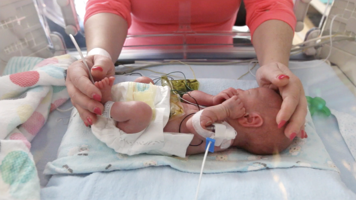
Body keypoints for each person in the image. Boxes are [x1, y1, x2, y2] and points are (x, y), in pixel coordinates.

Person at [65, 0, 307, 141]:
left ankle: (112, 106)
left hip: (222, 59)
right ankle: (110, 105)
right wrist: (100, 54)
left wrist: (275, 65)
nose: (239, 93)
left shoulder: (220, 136)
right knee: (137, 95)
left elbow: (269, 5)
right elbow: (110, 3)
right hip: (137, 56)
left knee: (137, 106)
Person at [91, 76, 300, 156]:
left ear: (250, 119)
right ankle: (117, 103)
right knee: (146, 82)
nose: (237, 90)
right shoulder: (218, 114)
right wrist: (211, 100)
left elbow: (193, 125)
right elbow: (188, 97)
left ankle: (106, 107)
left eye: (245, 94)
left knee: (140, 111)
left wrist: (222, 110)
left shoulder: (221, 139)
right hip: (157, 111)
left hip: (135, 132)